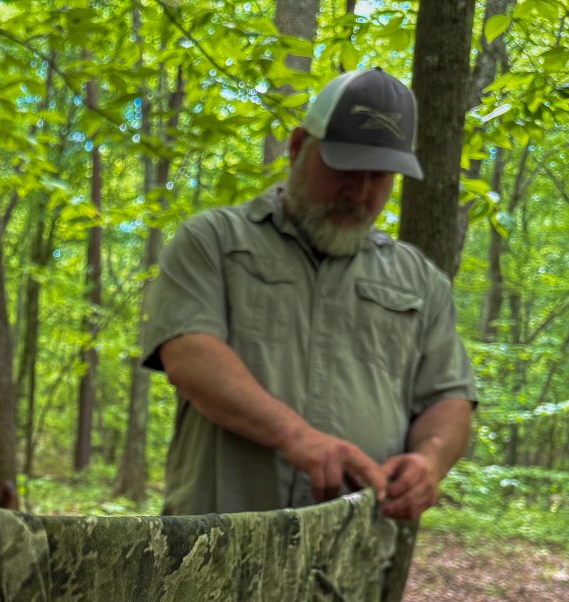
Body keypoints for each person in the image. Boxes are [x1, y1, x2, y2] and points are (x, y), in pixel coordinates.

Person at [140, 67, 477, 521]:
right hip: (219, 547)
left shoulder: (420, 281)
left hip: (352, 559)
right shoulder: (214, 242)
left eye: (379, 176)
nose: (358, 191)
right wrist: (297, 436)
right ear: (299, 148)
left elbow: (448, 398)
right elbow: (189, 355)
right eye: (344, 167)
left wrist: (430, 462)